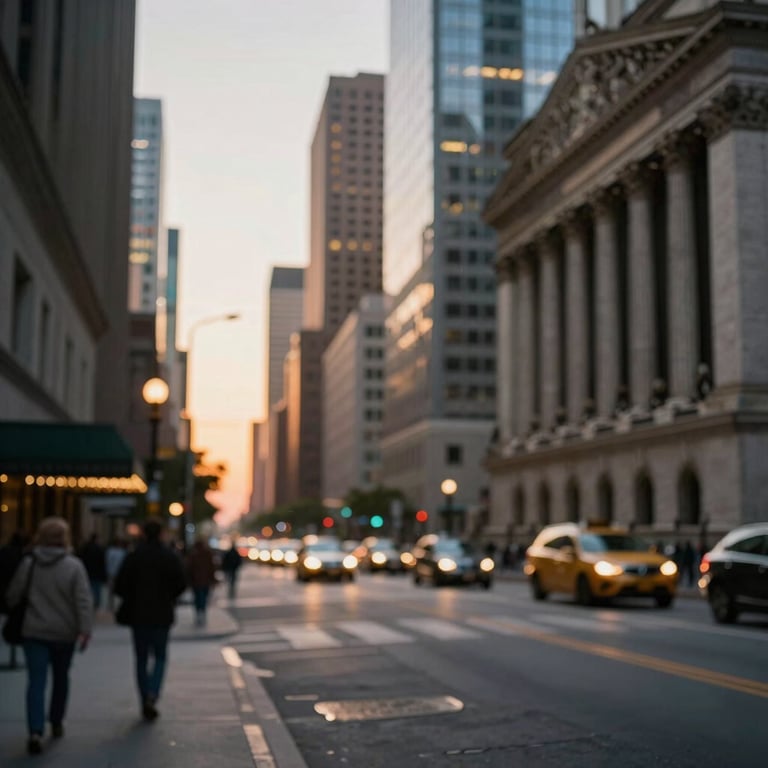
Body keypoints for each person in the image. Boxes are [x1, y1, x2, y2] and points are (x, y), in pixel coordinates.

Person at [5, 517, 93, 755]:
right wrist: (85, 629)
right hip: (64, 633)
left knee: (36, 681)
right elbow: (83, 601)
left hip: (34, 630)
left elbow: (14, 594)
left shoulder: (30, 563)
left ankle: (35, 730)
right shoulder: (74, 566)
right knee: (61, 678)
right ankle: (55, 720)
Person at [113, 520, 186, 722]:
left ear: (143, 533)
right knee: (160, 656)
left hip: (138, 615)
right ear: (161, 534)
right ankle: (153, 693)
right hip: (162, 614)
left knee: (141, 658)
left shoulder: (134, 557)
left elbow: (119, 586)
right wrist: (168, 597)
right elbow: (181, 583)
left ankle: (145, 696)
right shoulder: (170, 557)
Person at [185, 538, 218, 626]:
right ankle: (201, 613)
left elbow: (189, 569)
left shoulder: (194, 555)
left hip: (197, 581)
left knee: (198, 598)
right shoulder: (206, 554)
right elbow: (211, 568)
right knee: (202, 598)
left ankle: (199, 613)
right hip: (203, 581)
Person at [77, 533, 107, 611]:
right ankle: (95, 605)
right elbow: (102, 563)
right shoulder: (99, 549)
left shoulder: (86, 548)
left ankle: (91, 604)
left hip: (87, 571)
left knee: (89, 589)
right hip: (96, 573)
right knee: (96, 590)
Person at [105, 537, 128, 611]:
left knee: (111, 590)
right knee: (117, 589)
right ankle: (115, 605)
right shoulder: (123, 552)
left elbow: (107, 562)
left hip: (112, 573)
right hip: (118, 573)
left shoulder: (110, 551)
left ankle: (110, 605)